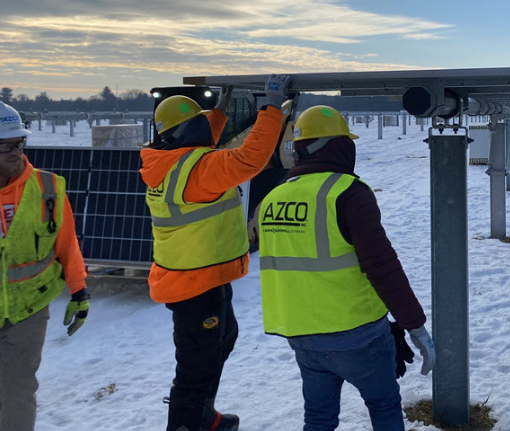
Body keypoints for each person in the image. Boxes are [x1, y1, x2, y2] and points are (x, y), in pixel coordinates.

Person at [258, 105, 435, 430]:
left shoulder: (273, 198)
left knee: (318, 417)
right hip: (357, 336)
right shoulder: (348, 193)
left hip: (301, 335)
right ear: (338, 147)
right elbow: (382, 265)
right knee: (383, 405)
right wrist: (415, 326)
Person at [140, 75, 291, 431]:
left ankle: (202, 416)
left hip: (197, 276)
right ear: (189, 130)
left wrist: (220, 111)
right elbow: (251, 158)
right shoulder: (199, 170)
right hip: (196, 283)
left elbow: (198, 141)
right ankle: (188, 424)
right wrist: (271, 107)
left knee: (221, 340)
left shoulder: (170, 163)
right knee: (198, 362)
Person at [0, 102, 88, 431]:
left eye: (19, 143)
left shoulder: (47, 188)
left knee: (17, 390)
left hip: (28, 309)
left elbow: (66, 244)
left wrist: (79, 291)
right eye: (5, 146)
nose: (16, 152)